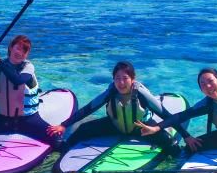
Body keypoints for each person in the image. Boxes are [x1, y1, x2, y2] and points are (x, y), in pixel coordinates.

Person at [47, 61, 179, 152]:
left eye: (125, 78)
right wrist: (63, 125)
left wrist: (186, 136)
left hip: (142, 128)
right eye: (117, 78)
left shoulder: (141, 93)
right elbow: (88, 109)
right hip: (115, 126)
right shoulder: (110, 92)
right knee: (82, 129)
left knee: (170, 143)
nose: (121, 83)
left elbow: (166, 115)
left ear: (133, 78)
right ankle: (61, 152)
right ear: (113, 79)